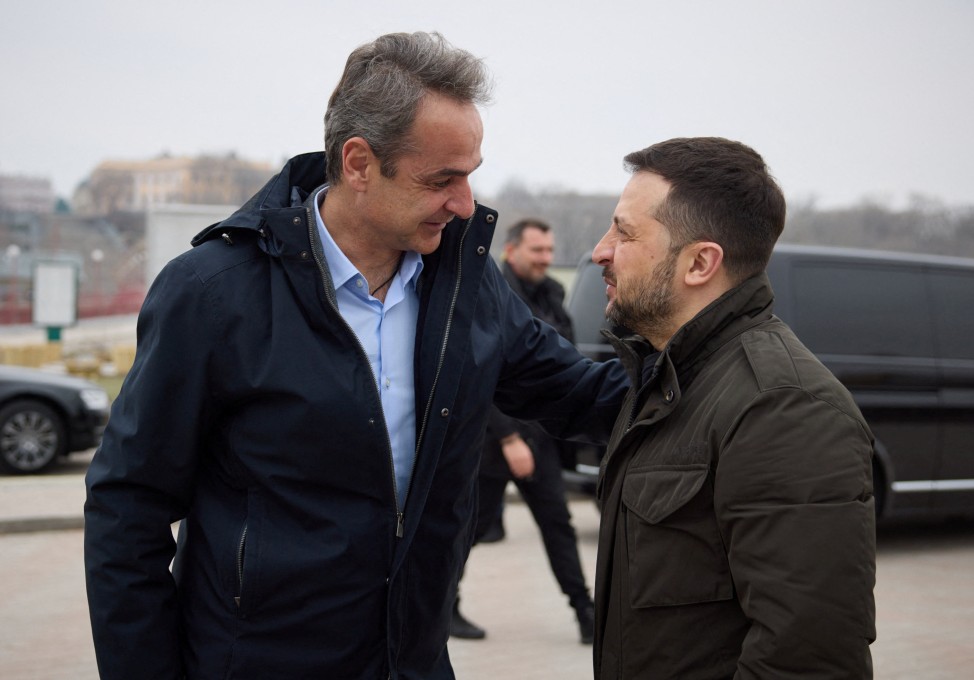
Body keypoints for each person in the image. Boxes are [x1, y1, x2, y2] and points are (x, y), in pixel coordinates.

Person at [83, 32, 627, 680]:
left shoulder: (467, 288)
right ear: (360, 163)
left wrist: (723, 375)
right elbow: (127, 508)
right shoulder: (213, 293)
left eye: (470, 175)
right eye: (442, 179)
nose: (465, 204)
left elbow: (584, 395)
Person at [590, 137, 877, 678]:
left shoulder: (782, 408)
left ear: (700, 262)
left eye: (624, 232)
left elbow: (808, 659)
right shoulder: (668, 379)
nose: (600, 250)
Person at [451, 219, 595, 644]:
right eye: (538, 251)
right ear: (511, 251)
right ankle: (445, 607)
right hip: (492, 439)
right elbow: (480, 372)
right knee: (470, 530)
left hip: (540, 437)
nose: (546, 259)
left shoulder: (552, 294)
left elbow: (558, 364)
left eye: (549, 251)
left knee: (558, 525)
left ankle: (585, 614)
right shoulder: (488, 292)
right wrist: (509, 438)